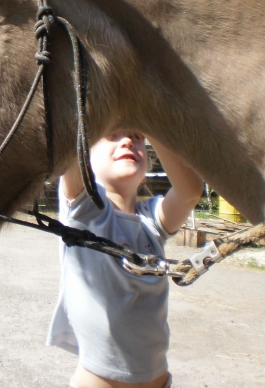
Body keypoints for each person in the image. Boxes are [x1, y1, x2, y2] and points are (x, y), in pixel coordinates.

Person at [47, 129, 204, 388]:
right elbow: (70, 138)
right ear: (86, 155)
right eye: (112, 134)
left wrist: (151, 123)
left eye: (137, 136)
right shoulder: (84, 210)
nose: (128, 141)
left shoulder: (152, 220)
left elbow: (190, 192)